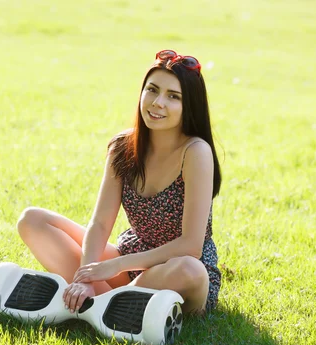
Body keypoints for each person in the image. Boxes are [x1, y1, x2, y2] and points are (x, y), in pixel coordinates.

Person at [16, 50, 222, 316]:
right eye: (152, 90)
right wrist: (86, 276)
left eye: (173, 96)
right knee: (32, 220)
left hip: (178, 273)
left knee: (190, 269)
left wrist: (117, 266)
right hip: (130, 261)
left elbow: (190, 246)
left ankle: (108, 305)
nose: (158, 102)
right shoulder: (123, 146)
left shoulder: (195, 152)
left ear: (189, 106)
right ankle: (107, 305)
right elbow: (100, 223)